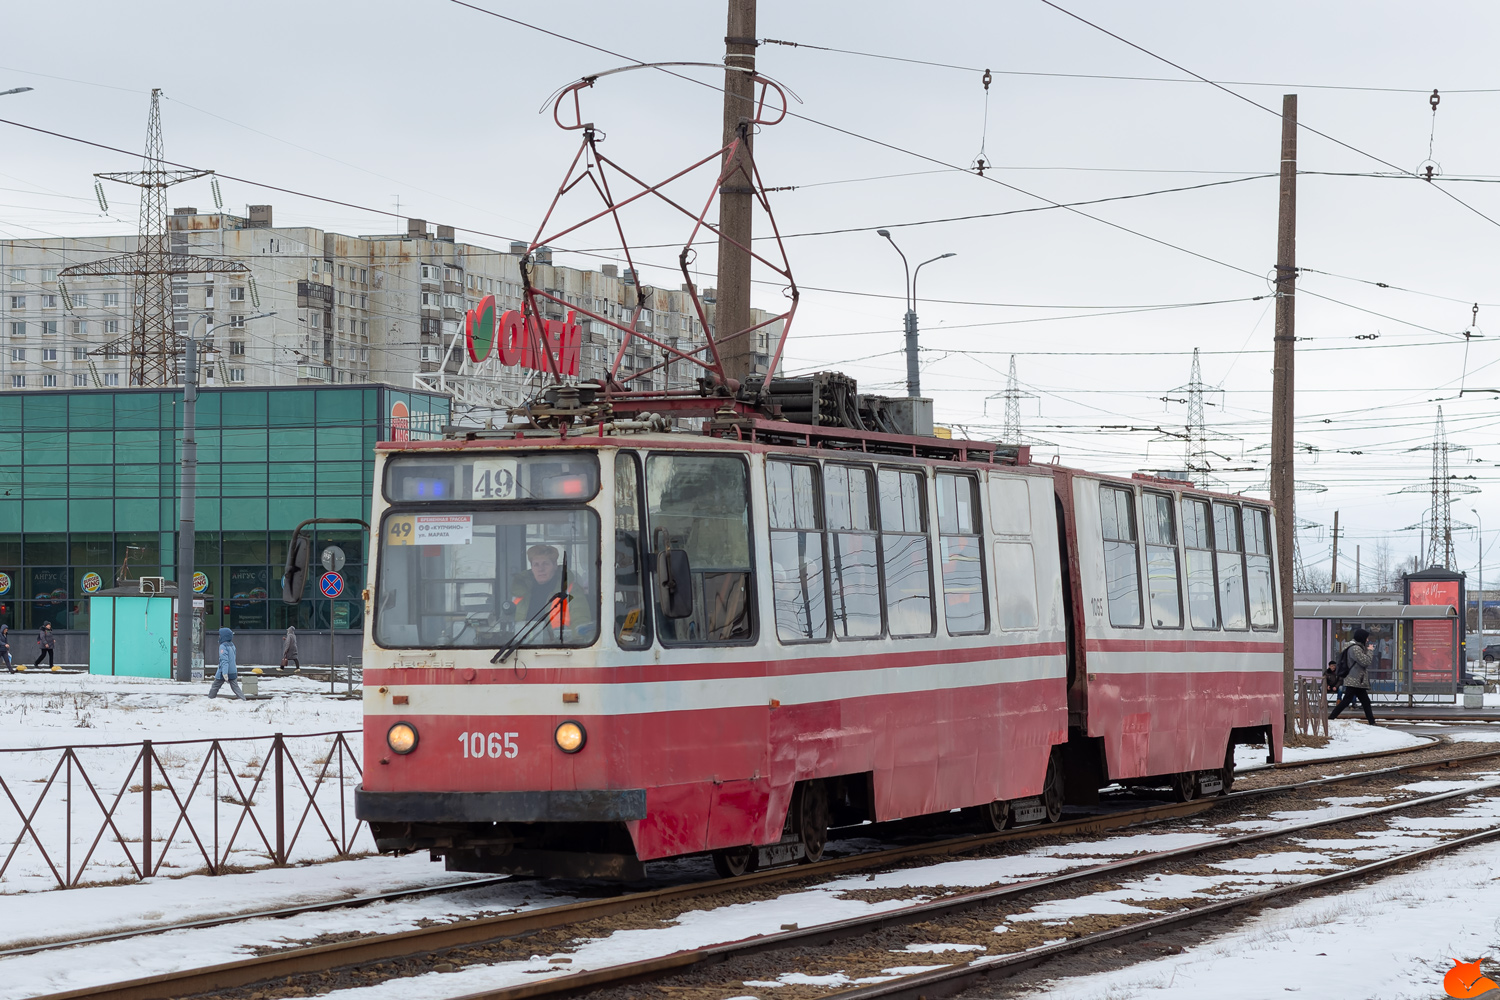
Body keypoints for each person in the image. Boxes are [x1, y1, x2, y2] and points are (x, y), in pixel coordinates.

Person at [508, 544, 592, 634]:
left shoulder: (571, 591)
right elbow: (507, 626)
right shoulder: (520, 591)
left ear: (555, 566)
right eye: (536, 564)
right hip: (521, 646)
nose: (541, 569)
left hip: (559, 646)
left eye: (545, 563)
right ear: (531, 568)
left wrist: (560, 641)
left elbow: (582, 626)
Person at [1330, 628, 1377, 724]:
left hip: (1357, 680)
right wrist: (1370, 651)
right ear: (1361, 638)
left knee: (1364, 702)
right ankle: (1330, 718)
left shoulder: (1355, 647)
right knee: (1347, 701)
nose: (1367, 640)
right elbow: (1365, 662)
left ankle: (1372, 722)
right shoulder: (1355, 648)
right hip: (1354, 679)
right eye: (1366, 638)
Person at [208, 626, 246, 700]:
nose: (219, 637)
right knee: (235, 688)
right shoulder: (232, 645)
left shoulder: (223, 646)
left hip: (224, 672)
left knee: (215, 686)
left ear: (223, 636)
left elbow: (224, 660)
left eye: (220, 635)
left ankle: (210, 700)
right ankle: (243, 700)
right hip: (233, 671)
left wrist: (224, 673)